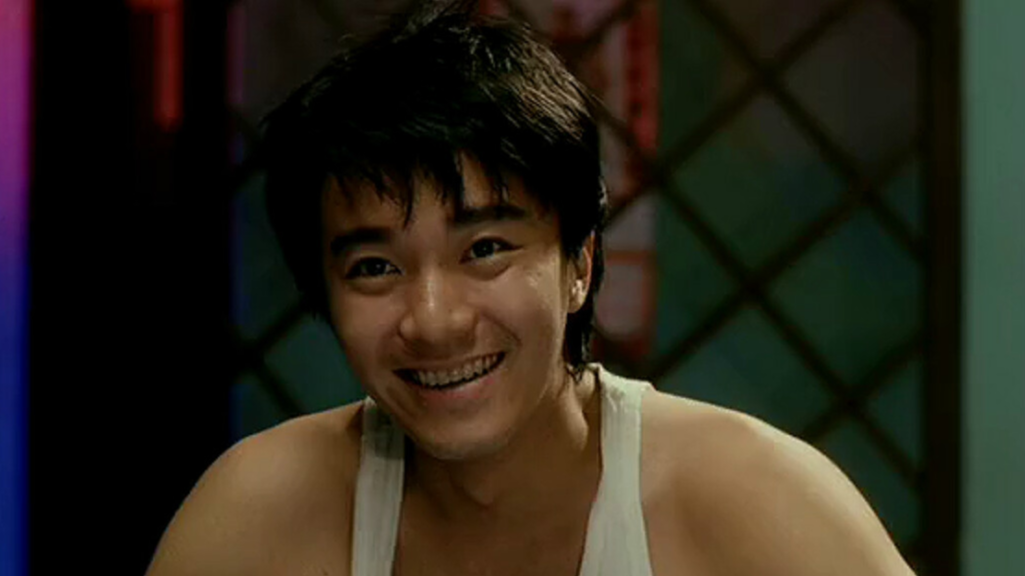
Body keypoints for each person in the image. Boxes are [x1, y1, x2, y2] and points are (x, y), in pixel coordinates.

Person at [146, 2, 917, 575]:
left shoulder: (752, 501)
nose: (434, 320)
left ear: (579, 264)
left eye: (484, 249)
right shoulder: (262, 515)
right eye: (375, 267)